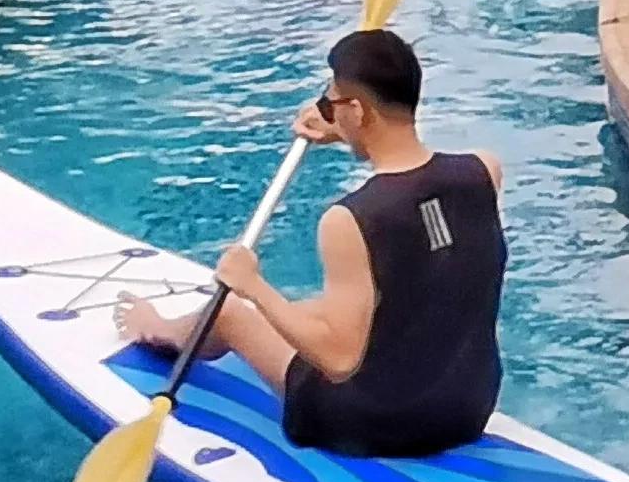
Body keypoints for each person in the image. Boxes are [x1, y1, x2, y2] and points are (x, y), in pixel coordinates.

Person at [115, 29, 506, 458]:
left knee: (231, 312)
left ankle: (159, 331)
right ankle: (194, 325)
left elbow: (337, 360)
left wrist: (252, 286)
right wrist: (344, 132)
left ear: (357, 110)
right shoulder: (483, 171)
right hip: (468, 409)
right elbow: (423, 226)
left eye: (331, 104)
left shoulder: (350, 219)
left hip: (371, 425)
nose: (325, 112)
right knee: (332, 304)